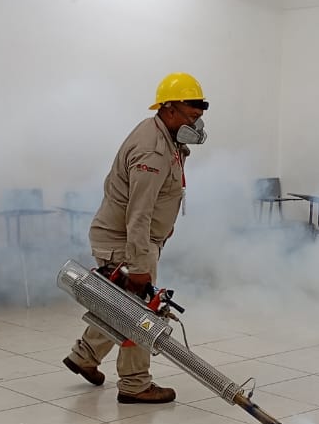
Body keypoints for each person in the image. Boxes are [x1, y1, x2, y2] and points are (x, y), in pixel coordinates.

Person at [63, 72, 209, 403]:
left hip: (127, 240)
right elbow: (138, 215)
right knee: (139, 314)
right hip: (126, 243)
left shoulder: (165, 138)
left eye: (199, 118)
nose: (196, 125)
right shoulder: (153, 151)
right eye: (191, 116)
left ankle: (84, 356)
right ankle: (134, 384)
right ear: (170, 110)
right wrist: (139, 263)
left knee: (119, 306)